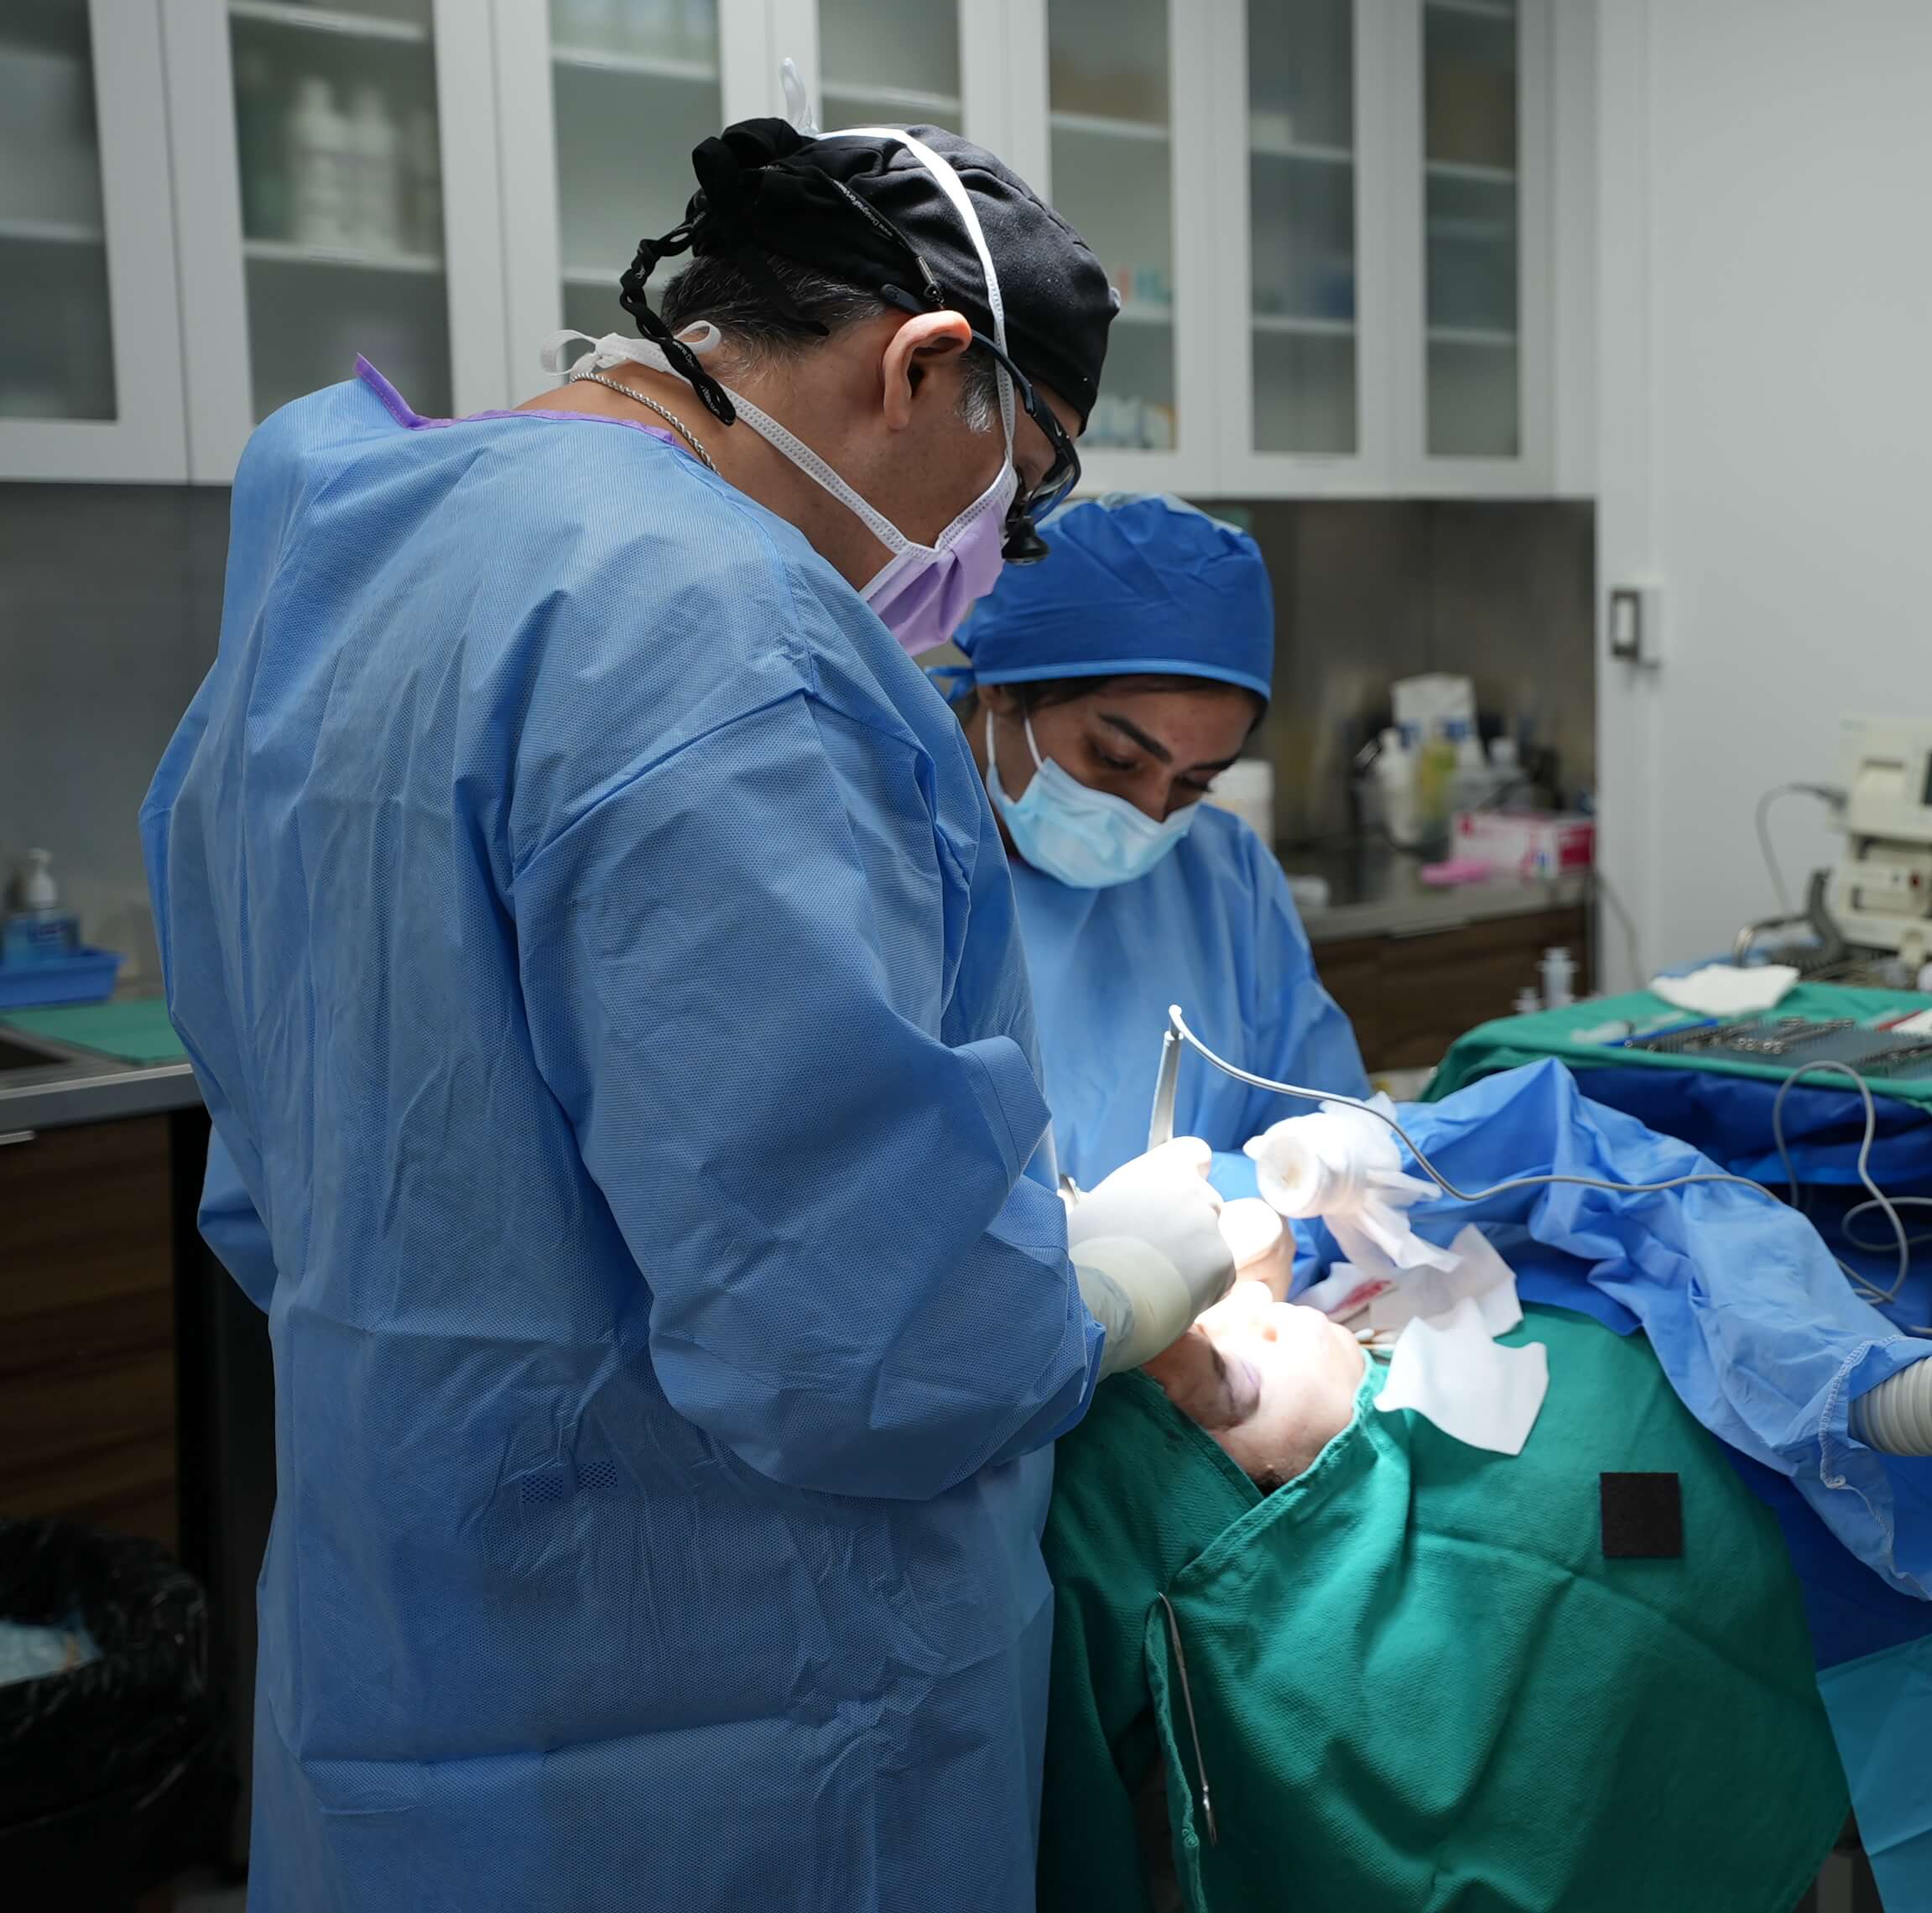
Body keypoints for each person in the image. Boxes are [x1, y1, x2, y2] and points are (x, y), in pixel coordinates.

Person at [143, 119, 1240, 1913]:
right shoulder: (724, 640)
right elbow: (865, 1346)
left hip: (408, 1621)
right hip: (728, 1708)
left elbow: (284, 1181)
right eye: (1016, 490)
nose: (988, 554)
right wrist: (1096, 1291)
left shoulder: (351, 558)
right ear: (928, 367)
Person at [943, 493, 1371, 1196]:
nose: (1149, 814)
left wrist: (1253, 1212)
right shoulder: (892, 864)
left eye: (1196, 782)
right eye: (1114, 759)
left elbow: (1321, 1127)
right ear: (1001, 691)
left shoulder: (1224, 875)